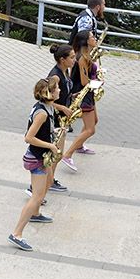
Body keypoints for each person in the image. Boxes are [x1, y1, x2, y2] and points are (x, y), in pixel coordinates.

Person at [8, 77, 62, 251]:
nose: (60, 90)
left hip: (42, 155)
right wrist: (51, 145)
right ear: (49, 93)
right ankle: (16, 234)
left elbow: (42, 131)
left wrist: (53, 131)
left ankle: (36, 214)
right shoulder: (43, 113)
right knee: (37, 196)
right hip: (37, 158)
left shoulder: (48, 108)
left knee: (49, 181)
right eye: (57, 89)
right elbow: (28, 137)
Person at [39, 44, 77, 196]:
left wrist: (72, 97)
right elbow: (44, 99)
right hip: (54, 119)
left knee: (57, 154)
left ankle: (50, 180)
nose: (75, 60)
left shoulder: (65, 71)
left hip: (62, 119)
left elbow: (63, 92)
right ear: (62, 59)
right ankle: (41, 184)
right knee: (54, 153)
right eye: (72, 57)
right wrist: (63, 108)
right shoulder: (55, 76)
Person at [60, 30, 99, 172]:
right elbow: (83, 81)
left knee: (94, 120)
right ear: (86, 41)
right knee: (90, 129)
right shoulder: (82, 58)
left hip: (87, 93)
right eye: (92, 37)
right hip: (82, 95)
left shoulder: (86, 55)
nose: (95, 38)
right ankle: (68, 154)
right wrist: (96, 81)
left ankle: (80, 145)